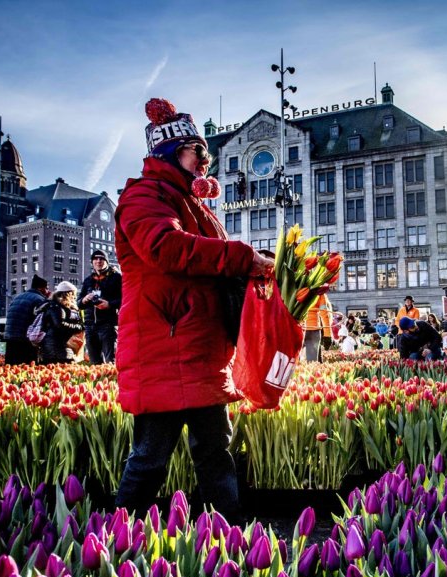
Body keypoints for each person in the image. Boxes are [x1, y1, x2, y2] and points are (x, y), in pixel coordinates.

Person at [114, 98, 274, 520]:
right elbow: (166, 248)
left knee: (216, 452)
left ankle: (232, 533)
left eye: (206, 154)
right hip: (163, 347)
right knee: (150, 457)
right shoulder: (144, 196)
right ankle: (113, 539)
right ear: (169, 151)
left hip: (199, 348)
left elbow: (218, 262)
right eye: (197, 152)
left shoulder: (193, 204)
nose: (205, 162)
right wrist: (242, 258)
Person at [78, 249, 122, 364]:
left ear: (106, 261)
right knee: (94, 362)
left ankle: (110, 382)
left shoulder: (116, 278)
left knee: (110, 361)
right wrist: (84, 299)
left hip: (107, 325)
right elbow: (79, 304)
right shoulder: (88, 280)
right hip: (90, 326)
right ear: (92, 262)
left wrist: (109, 304)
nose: (98, 261)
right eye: (95, 259)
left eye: (101, 259)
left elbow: (124, 299)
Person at [5, 275, 50, 365]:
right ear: (41, 288)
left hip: (10, 337)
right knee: (27, 367)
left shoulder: (17, 297)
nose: (48, 291)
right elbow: (40, 321)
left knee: (12, 367)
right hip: (24, 339)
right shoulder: (39, 300)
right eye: (47, 288)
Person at [37, 281, 85, 365]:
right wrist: (79, 327)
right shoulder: (56, 307)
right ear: (68, 294)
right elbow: (60, 324)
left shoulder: (55, 305)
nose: (74, 297)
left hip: (57, 346)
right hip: (57, 347)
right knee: (62, 368)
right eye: (73, 294)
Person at [303, 293, 332, 363]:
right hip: (314, 329)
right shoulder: (320, 292)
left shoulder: (298, 287)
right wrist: (327, 335)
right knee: (312, 363)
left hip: (299, 328)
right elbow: (324, 313)